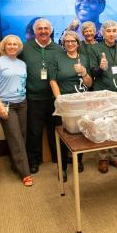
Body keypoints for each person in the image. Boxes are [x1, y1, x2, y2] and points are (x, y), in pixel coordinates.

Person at [0, 18, 64, 174]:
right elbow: (7, 56)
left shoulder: (58, 49)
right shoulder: (25, 47)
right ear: (35, 31)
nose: (43, 31)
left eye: (46, 28)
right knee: (33, 132)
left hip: (54, 98)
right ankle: (33, 160)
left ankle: (58, 158)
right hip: (32, 98)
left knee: (55, 130)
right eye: (40, 28)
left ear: (51, 30)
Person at [0, 35, 33, 186]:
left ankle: (17, 165)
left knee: (21, 135)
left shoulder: (22, 63)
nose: (13, 47)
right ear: (4, 46)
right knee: (15, 137)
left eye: (15, 44)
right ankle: (25, 173)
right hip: (6, 104)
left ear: (19, 47)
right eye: (10, 44)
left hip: (22, 103)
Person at [50, 31, 92, 181]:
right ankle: (62, 168)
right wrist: (59, 99)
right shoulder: (57, 58)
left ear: (77, 42)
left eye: (73, 40)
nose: (70, 43)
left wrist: (85, 73)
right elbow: (53, 80)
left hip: (82, 102)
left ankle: (78, 160)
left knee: (81, 132)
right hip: (65, 103)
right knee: (64, 135)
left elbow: (89, 83)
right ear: (63, 43)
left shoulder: (85, 58)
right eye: (66, 41)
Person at [89, 20, 117, 173]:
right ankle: (102, 158)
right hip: (102, 94)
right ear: (102, 32)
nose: (111, 33)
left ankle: (115, 157)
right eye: (108, 31)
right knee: (102, 125)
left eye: (114, 30)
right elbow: (93, 72)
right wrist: (100, 68)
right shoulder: (95, 48)